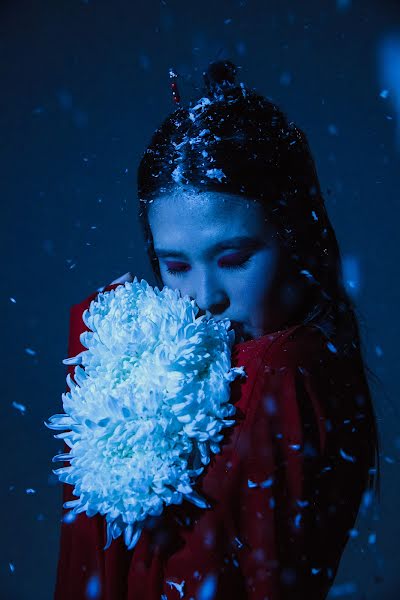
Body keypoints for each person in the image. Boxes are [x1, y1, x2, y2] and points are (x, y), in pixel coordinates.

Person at [54, 60, 379, 599]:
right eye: (175, 267)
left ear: (296, 239)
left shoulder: (285, 371)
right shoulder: (138, 355)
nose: (206, 298)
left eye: (234, 258)